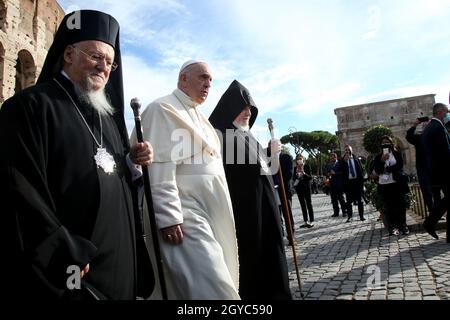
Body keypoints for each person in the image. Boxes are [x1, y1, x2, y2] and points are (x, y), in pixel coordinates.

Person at [0, 10, 155, 299]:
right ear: (69, 54)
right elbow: (20, 188)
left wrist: (131, 163)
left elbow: (108, 171)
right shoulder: (30, 107)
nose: (103, 67)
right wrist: (60, 248)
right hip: (70, 270)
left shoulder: (108, 118)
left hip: (117, 264)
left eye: (109, 62)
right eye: (95, 57)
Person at [133, 60, 240, 299]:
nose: (208, 84)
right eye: (202, 77)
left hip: (210, 209)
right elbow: (159, 165)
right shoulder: (162, 108)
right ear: (183, 78)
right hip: (184, 212)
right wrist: (168, 216)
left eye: (211, 80)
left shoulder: (201, 117)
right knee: (211, 284)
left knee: (207, 281)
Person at [209, 80, 292, 300]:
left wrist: (271, 152)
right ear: (230, 109)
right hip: (243, 215)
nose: (247, 112)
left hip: (266, 210)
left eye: (250, 109)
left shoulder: (250, 136)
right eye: (243, 107)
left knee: (273, 254)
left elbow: (261, 167)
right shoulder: (218, 137)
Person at [422, 103, 450, 241]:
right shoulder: (437, 127)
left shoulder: (430, 127)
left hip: (437, 171)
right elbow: (446, 152)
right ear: (440, 112)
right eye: (446, 111)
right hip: (444, 170)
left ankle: (430, 222)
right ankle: (430, 222)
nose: (447, 114)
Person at [373, 136, 410, 236]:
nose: (385, 144)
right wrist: (381, 161)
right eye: (383, 143)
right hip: (385, 185)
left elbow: (400, 166)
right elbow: (377, 171)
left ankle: (403, 225)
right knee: (389, 206)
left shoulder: (396, 154)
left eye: (387, 143)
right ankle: (392, 227)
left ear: (391, 144)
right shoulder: (378, 157)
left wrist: (388, 169)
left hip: (397, 183)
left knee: (400, 205)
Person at [406, 118, 440, 214]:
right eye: (424, 125)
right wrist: (414, 125)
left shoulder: (435, 137)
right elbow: (409, 136)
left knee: (436, 191)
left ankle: (437, 212)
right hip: (423, 169)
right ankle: (432, 211)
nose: (426, 127)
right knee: (427, 192)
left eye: (428, 125)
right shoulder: (419, 138)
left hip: (435, 168)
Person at [342, 145, 366, 222]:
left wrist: (362, 181)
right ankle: (349, 216)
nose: (347, 151)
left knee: (360, 200)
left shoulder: (356, 159)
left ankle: (361, 216)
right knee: (349, 201)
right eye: (346, 150)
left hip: (357, 182)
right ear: (344, 151)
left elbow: (361, 169)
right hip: (348, 183)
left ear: (351, 150)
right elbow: (340, 170)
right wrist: (344, 161)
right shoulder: (343, 161)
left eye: (348, 149)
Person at [292, 154, 314, 228]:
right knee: (302, 205)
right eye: (298, 159)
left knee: (309, 204)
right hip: (299, 189)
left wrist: (303, 172)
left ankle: (311, 221)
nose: (299, 160)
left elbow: (310, 178)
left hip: (307, 188)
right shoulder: (295, 168)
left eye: (300, 159)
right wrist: (297, 175)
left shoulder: (307, 167)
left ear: (303, 159)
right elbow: (294, 179)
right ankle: (305, 221)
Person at [326, 153, 347, 217]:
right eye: (331, 158)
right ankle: (336, 212)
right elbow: (327, 173)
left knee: (341, 199)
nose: (332, 159)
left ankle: (344, 212)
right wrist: (328, 174)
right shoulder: (329, 165)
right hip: (332, 184)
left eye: (333, 158)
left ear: (336, 157)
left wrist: (335, 173)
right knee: (334, 199)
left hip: (339, 184)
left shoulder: (340, 164)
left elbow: (343, 172)